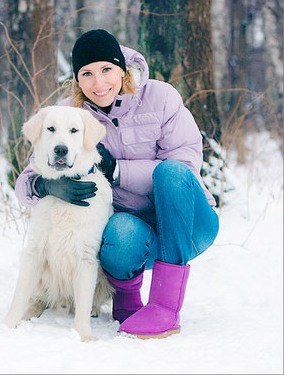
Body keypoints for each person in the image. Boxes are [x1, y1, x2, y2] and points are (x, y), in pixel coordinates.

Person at [14, 29, 219, 339]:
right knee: (119, 228)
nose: (99, 83)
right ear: (77, 80)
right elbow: (30, 175)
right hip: (135, 234)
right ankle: (126, 300)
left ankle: (165, 307)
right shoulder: (70, 116)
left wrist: (118, 170)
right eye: (87, 74)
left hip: (188, 224)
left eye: (107, 69)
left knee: (171, 173)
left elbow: (186, 169)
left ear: (122, 69)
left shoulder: (161, 97)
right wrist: (44, 186)